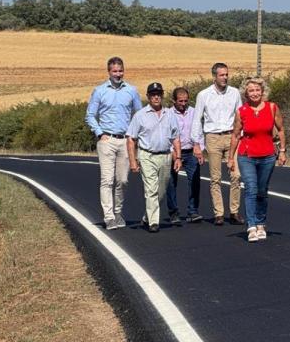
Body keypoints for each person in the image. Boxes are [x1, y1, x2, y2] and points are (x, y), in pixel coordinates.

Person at [85, 56, 142, 230]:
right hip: (107, 140)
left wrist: (135, 137)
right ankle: (109, 216)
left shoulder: (131, 91)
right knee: (107, 180)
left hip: (125, 141)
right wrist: (99, 133)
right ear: (109, 72)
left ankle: (118, 213)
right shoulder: (100, 91)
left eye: (120, 70)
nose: (118, 74)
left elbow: (139, 115)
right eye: (115, 71)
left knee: (122, 180)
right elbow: (89, 115)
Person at [228, 77, 286, 243]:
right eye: (251, 90)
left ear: (263, 91)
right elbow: (235, 134)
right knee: (251, 189)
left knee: (262, 191)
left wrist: (282, 151)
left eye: (257, 90)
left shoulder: (272, 108)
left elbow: (281, 130)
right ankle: (252, 226)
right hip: (247, 156)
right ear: (246, 93)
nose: (254, 93)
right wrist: (230, 157)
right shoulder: (242, 111)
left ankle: (261, 223)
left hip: (267, 155)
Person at [191, 62, 243, 226]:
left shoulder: (234, 93)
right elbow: (197, 120)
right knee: (215, 178)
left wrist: (241, 135)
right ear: (214, 76)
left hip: (231, 136)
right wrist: (197, 143)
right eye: (222, 75)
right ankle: (218, 213)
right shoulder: (203, 95)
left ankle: (234, 212)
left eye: (227, 74)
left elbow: (240, 116)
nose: (225, 77)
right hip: (212, 137)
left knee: (236, 176)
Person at [126, 82, 182, 233]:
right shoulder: (140, 115)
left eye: (158, 94)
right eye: (153, 95)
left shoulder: (170, 114)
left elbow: (175, 137)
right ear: (148, 97)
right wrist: (133, 160)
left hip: (165, 156)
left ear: (162, 96)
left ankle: (147, 217)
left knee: (161, 191)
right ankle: (154, 223)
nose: (156, 97)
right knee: (151, 189)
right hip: (147, 155)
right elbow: (131, 138)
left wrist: (178, 157)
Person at [165, 87, 202, 223]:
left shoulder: (193, 112)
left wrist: (199, 148)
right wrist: (172, 151)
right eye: (180, 101)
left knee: (195, 181)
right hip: (173, 152)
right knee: (171, 183)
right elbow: (165, 134)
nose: (183, 104)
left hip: (191, 151)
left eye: (185, 101)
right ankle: (173, 213)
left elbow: (199, 130)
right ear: (174, 100)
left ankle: (193, 211)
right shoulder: (167, 114)